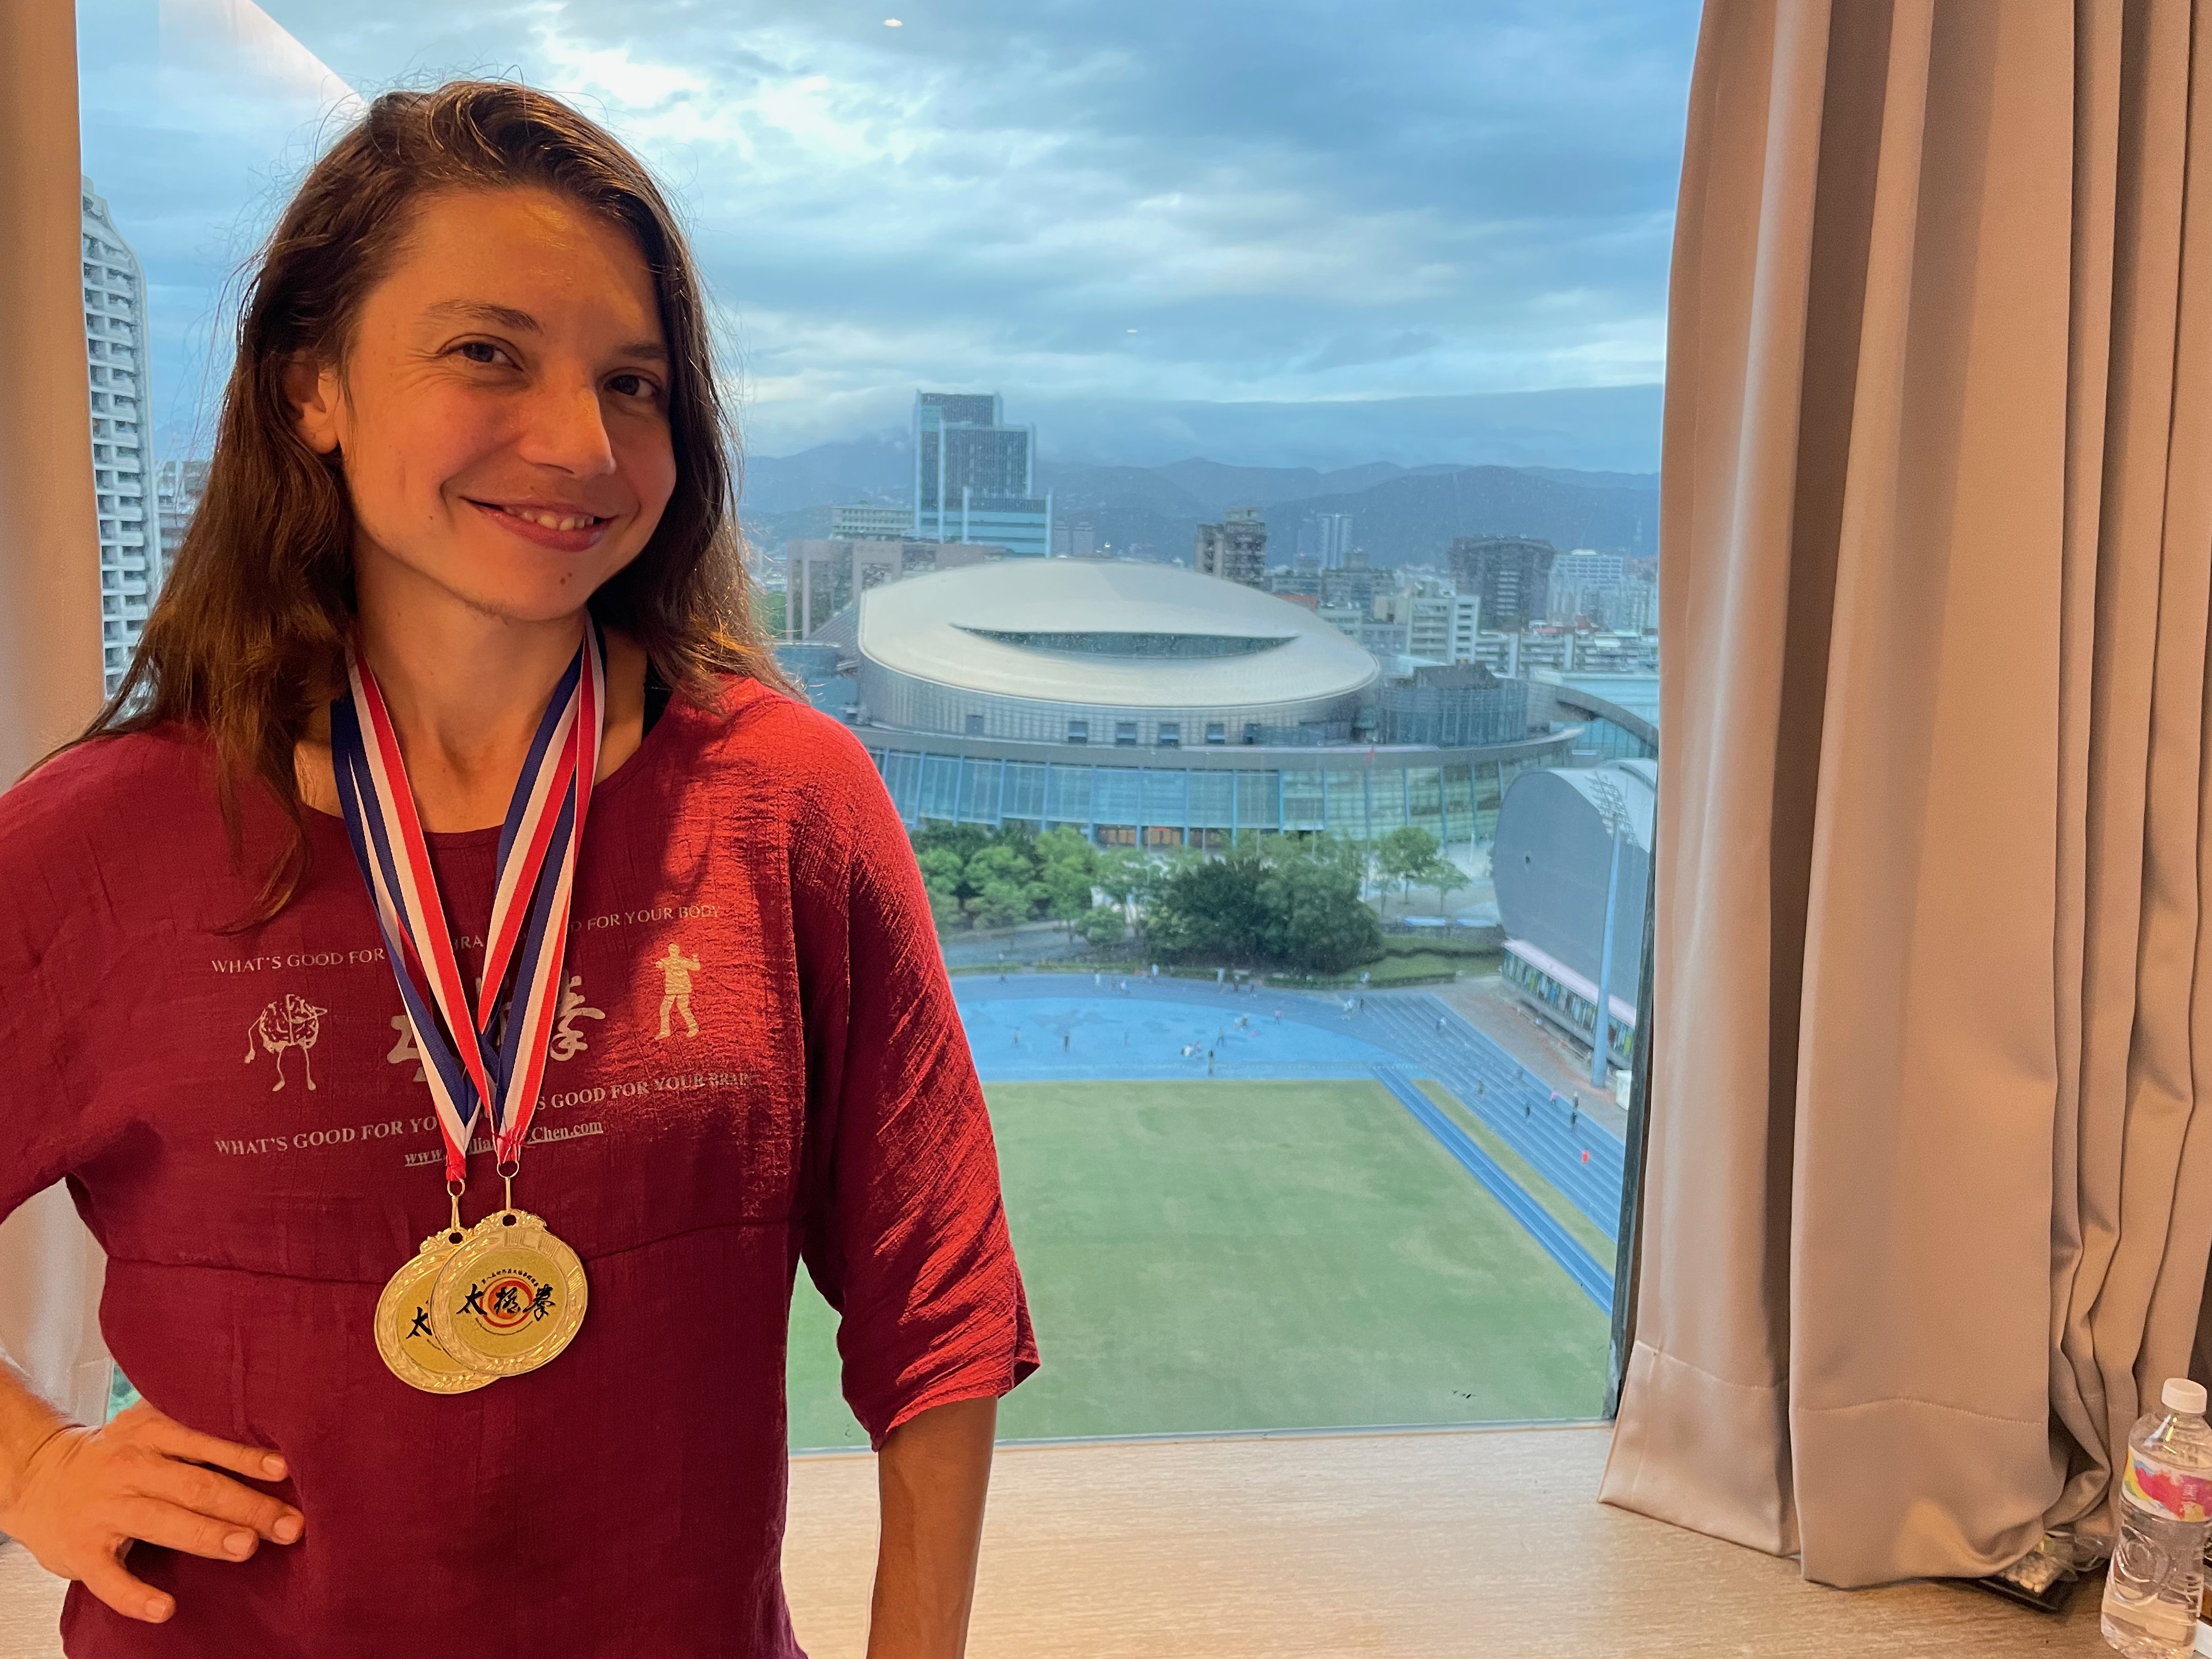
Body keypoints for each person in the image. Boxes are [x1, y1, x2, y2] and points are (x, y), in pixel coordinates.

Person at [0, 83, 1033, 1658]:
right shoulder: (99, 841)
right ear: (312, 387)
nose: (581, 444)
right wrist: (34, 1467)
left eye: (634, 382)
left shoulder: (786, 804)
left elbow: (938, 1295)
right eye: (487, 353)